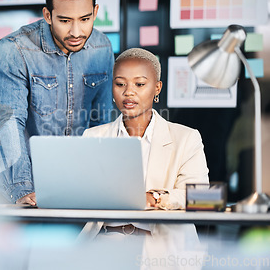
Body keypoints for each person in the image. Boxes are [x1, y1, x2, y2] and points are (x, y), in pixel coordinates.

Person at [0, 0, 115, 205]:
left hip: (79, 187)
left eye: (85, 19)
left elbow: (103, 123)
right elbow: (8, 124)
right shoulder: (14, 50)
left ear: (96, 12)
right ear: (48, 15)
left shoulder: (102, 47)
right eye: (65, 21)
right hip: (25, 187)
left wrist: (104, 182)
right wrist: (22, 190)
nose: (76, 32)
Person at [83, 48, 210, 211]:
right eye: (120, 84)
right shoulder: (93, 137)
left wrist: (156, 198)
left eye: (139, 84)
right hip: (106, 234)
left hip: (160, 235)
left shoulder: (186, 138)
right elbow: (83, 194)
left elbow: (203, 197)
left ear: (157, 88)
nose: (128, 92)